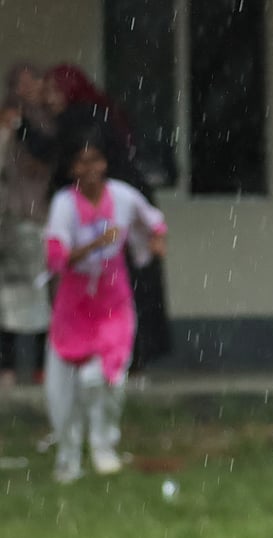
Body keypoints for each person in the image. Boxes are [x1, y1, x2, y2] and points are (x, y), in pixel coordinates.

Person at [42, 125, 166, 482]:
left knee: (105, 375)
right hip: (74, 304)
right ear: (72, 169)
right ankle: (68, 456)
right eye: (81, 162)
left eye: (94, 160)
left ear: (104, 164)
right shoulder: (64, 204)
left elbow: (154, 223)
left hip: (114, 301)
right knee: (60, 389)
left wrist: (156, 244)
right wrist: (96, 245)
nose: (89, 169)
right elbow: (56, 257)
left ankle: (103, 446)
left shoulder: (123, 197)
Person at [36, 64, 173, 371]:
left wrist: (19, 125)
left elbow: (50, 153)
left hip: (115, 209)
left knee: (119, 286)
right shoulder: (97, 113)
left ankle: (119, 356)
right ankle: (125, 356)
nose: (48, 99)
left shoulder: (79, 120)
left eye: (53, 90)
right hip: (112, 209)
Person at [0, 62, 53, 387]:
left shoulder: (47, 121)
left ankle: (40, 366)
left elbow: (46, 157)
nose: (24, 89)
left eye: (30, 81)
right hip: (7, 219)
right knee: (5, 298)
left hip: (34, 217)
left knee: (38, 294)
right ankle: (5, 367)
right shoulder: (6, 119)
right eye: (18, 83)